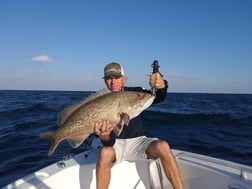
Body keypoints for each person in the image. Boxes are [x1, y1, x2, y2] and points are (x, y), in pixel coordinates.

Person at [94, 62, 184, 189]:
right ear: (105, 81)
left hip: (138, 142)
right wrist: (105, 138)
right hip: (116, 145)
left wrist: (162, 85)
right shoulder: (99, 103)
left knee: (163, 146)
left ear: (124, 78)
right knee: (104, 152)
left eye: (117, 78)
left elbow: (157, 97)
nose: (113, 82)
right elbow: (108, 143)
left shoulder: (136, 92)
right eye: (109, 78)